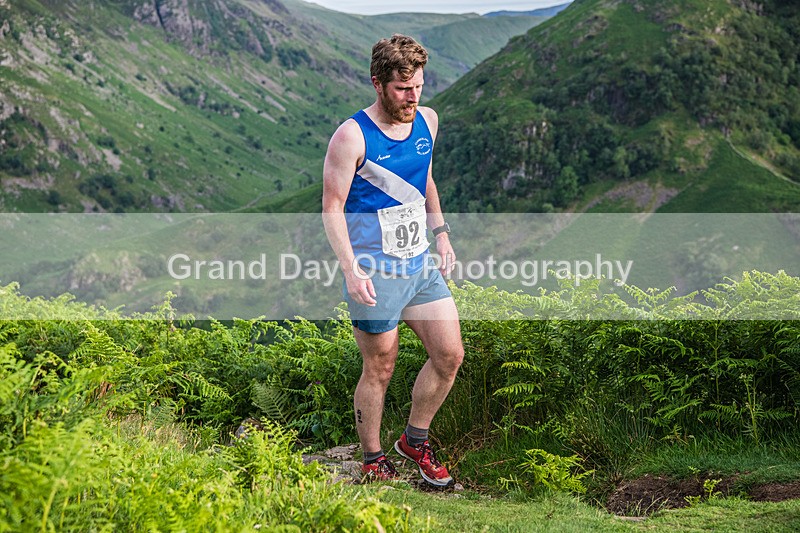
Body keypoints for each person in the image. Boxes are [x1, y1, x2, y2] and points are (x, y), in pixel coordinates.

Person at [322, 34, 464, 487]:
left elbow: (424, 181)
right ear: (377, 83)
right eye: (403, 89)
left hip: (419, 265)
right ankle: (372, 458)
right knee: (380, 367)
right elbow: (331, 207)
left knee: (449, 356)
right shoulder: (351, 136)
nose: (412, 97)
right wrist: (350, 267)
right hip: (373, 270)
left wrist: (440, 233)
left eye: (418, 86)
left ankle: (414, 442)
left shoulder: (428, 120)